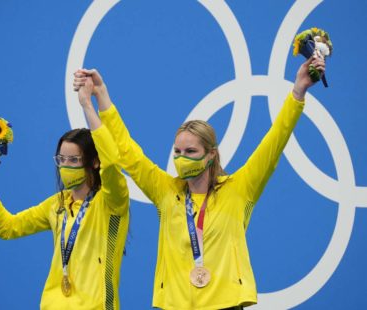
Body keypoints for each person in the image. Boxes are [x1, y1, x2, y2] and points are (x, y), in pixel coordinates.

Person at [73, 55, 325, 309]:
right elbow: (127, 152)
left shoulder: (239, 188)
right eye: (178, 152)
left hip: (225, 304)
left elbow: (275, 140)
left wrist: (298, 91)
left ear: (211, 153)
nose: (182, 159)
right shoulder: (165, 190)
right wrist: (101, 96)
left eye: (190, 152)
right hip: (174, 304)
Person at [0, 77, 129, 310]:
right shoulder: (57, 204)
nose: (65, 166)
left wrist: (87, 105)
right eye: (61, 159)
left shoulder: (113, 200)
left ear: (94, 162)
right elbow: (7, 227)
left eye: (73, 160)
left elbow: (113, 162)